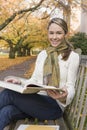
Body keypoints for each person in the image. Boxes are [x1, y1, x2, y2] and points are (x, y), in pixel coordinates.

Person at [0, 18, 80, 130]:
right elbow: (34, 80)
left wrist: (64, 97)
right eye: (51, 33)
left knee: (9, 94)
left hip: (54, 107)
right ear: (47, 33)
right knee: (6, 111)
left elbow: (71, 85)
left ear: (65, 33)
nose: (54, 37)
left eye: (59, 33)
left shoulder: (73, 57)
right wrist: (20, 82)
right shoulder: (43, 54)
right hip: (36, 102)